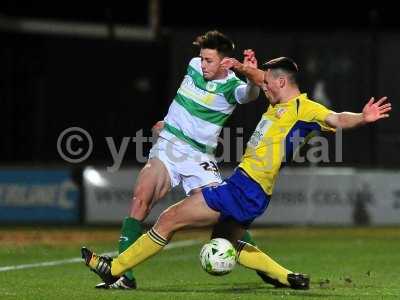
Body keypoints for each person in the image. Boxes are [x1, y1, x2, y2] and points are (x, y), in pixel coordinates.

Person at [82, 56, 391, 290]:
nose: (263, 86)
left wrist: (363, 118)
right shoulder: (277, 102)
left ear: (282, 82)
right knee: (228, 240)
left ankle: (116, 268)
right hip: (252, 191)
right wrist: (244, 67)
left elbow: (336, 118)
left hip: (245, 188)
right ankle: (284, 276)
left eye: (268, 82)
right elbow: (260, 76)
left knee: (169, 219)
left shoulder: (304, 109)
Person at [97, 30, 263, 289]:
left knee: (226, 215)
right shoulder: (194, 65)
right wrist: (169, 122)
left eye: (209, 60)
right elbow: (183, 104)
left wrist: (251, 76)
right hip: (169, 147)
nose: (203, 64)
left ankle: (268, 270)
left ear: (224, 62)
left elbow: (251, 94)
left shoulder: (232, 87)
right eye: (202, 58)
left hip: (200, 156)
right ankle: (123, 276)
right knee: (142, 197)